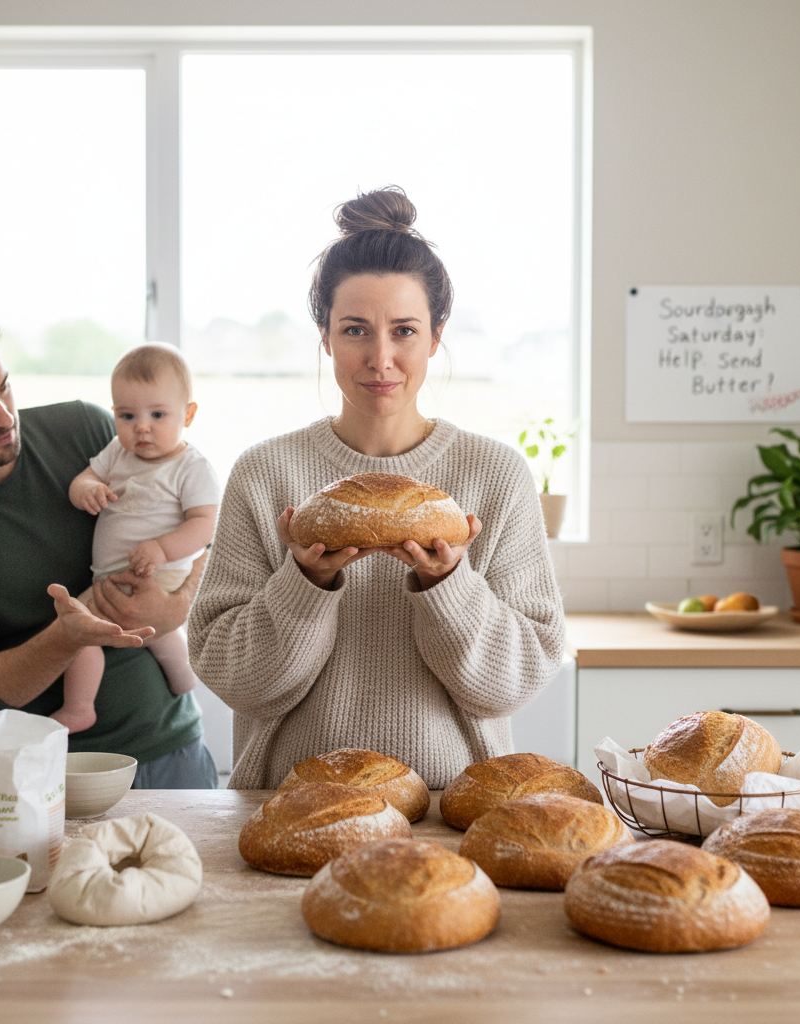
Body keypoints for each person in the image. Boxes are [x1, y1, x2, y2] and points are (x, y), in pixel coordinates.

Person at [187, 186, 565, 789]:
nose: (381, 358)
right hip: (293, 806)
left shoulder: (494, 476)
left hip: (452, 809)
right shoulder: (265, 475)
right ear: (325, 336)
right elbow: (239, 683)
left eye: (405, 331)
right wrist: (305, 583)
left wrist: (448, 586)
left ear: (436, 337)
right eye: (356, 329)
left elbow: (511, 684)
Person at [0, 298, 217, 788]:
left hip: (173, 751)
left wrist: (176, 607)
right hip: (45, 779)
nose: (4, 417)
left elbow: (202, 534)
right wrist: (66, 638)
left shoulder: (86, 430)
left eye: (4, 387)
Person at [54, 343, 220, 734]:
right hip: (114, 574)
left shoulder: (190, 467)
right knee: (156, 633)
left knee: (78, 625)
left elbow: (205, 524)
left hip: (157, 571)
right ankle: (182, 680)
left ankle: (79, 707)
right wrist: (85, 489)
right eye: (127, 415)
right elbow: (87, 476)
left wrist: (162, 549)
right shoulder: (117, 453)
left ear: (188, 415)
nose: (141, 426)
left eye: (157, 414)